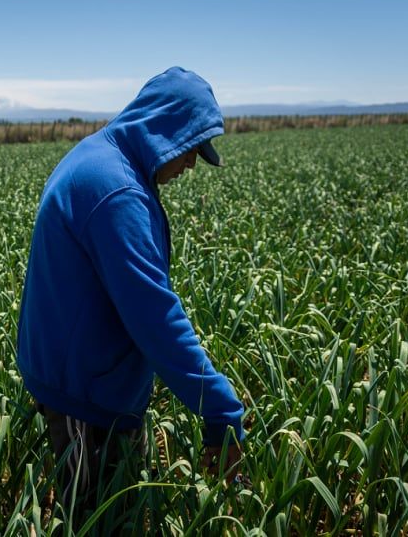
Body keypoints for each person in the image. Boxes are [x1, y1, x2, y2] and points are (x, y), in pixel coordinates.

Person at [16, 67, 245, 523]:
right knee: (94, 519)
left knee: (106, 512)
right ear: (164, 131)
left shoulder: (104, 158)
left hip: (85, 378)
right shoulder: (115, 190)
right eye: (190, 149)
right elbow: (153, 314)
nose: (191, 165)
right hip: (84, 393)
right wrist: (221, 410)